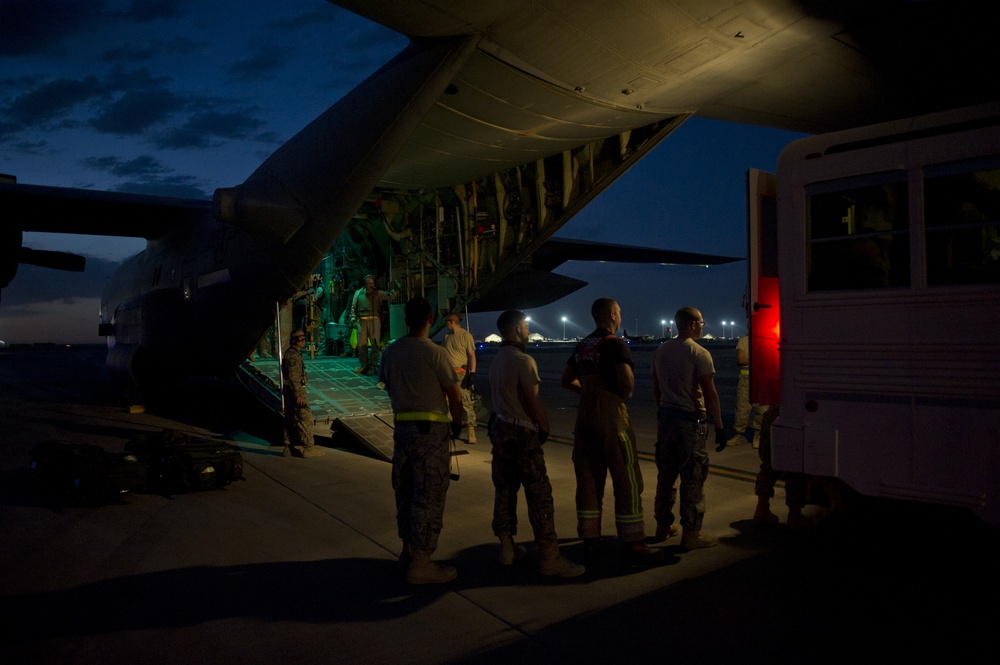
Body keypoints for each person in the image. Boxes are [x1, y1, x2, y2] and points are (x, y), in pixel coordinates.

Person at [560, 297, 659, 565]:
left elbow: (565, 380)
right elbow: (626, 382)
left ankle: (591, 541)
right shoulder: (615, 344)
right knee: (627, 477)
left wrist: (590, 393)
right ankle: (632, 541)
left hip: (584, 417)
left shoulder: (582, 346)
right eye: (620, 312)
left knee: (589, 480)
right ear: (613, 315)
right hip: (611, 417)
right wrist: (614, 395)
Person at [489, 310, 585, 578]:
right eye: (526, 326)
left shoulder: (497, 359)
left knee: (505, 492)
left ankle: (507, 548)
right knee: (540, 496)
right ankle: (550, 557)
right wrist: (545, 428)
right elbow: (533, 401)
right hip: (522, 436)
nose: (528, 331)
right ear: (517, 329)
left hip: (500, 432)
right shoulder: (523, 360)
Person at [379, 297, 465, 585]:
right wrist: (458, 423)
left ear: (406, 319)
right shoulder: (436, 353)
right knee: (427, 496)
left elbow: (387, 384)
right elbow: (454, 394)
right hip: (430, 433)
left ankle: (408, 553)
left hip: (402, 430)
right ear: (431, 318)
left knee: (405, 493)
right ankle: (422, 563)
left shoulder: (391, 351)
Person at [650, 306, 727, 550]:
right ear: (693, 324)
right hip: (689, 423)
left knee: (666, 477)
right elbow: (710, 393)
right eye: (701, 323)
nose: (703, 326)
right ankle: (691, 535)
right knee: (693, 479)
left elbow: (656, 388)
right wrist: (720, 426)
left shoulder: (661, 350)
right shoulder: (699, 352)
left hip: (666, 420)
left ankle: (663, 527)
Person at [752, 404, 812, 528]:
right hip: (796, 410)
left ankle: (762, 508)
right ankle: (795, 514)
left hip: (774, 409)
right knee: (795, 466)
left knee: (769, 464)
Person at [281, 330, 324, 458]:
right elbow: (294, 377)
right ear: (295, 340)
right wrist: (298, 395)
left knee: (290, 418)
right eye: (301, 338)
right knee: (304, 417)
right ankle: (309, 448)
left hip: (290, 391)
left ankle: (288, 447)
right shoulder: (293, 356)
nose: (304, 341)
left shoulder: (292, 353)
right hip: (296, 391)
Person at [441, 312, 479, 444]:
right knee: (447, 403)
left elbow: (472, 355)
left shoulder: (465, 335)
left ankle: (470, 431)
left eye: (447, 321)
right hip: (448, 375)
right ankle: (452, 429)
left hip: (461, 373)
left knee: (466, 403)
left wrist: (472, 374)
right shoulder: (446, 337)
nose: (445, 324)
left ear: (451, 322)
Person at [349, 274, 397, 375]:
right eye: (368, 283)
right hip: (362, 320)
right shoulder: (358, 293)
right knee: (362, 344)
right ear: (365, 284)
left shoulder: (377, 293)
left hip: (375, 320)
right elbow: (353, 307)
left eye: (372, 283)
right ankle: (364, 365)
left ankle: (373, 366)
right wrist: (353, 319)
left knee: (375, 344)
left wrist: (396, 289)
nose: (371, 285)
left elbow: (389, 296)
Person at [728, 335, 765, 448]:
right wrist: (758, 360)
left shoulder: (765, 340)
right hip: (746, 381)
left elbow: (768, 359)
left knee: (762, 409)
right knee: (742, 409)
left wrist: (750, 360)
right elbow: (741, 360)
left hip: (761, 379)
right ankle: (738, 435)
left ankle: (757, 436)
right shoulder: (744, 340)